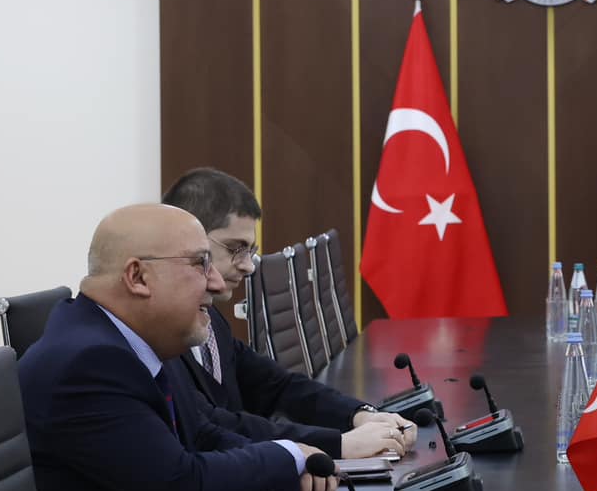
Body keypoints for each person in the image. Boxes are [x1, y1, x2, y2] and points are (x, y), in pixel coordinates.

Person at [20, 203, 336, 491]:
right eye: (200, 263)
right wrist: (285, 458)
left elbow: (201, 434)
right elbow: (183, 487)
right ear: (138, 277)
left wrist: (295, 462)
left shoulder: (134, 338)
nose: (217, 283)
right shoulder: (88, 362)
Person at [161, 167, 412, 459]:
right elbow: (214, 426)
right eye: (235, 248)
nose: (249, 266)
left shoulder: (213, 319)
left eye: (250, 251)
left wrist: (361, 415)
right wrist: (339, 444)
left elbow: (277, 386)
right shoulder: (160, 336)